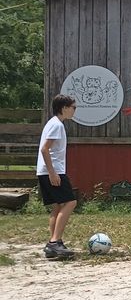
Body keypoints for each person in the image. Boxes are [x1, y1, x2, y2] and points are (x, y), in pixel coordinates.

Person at [37, 94, 78, 259]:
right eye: (73, 107)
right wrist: (53, 173)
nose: (75, 110)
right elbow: (45, 149)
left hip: (45, 171)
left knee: (57, 206)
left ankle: (53, 243)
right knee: (71, 202)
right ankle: (55, 242)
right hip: (52, 171)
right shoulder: (56, 125)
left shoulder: (53, 123)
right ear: (64, 108)